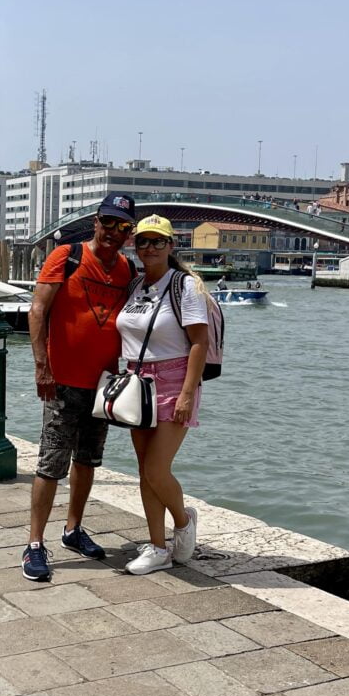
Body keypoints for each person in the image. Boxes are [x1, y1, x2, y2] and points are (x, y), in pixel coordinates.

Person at [22, 193, 137, 582]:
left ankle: (73, 529)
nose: (112, 232)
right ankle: (35, 544)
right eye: (108, 222)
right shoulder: (67, 255)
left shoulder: (127, 269)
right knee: (50, 464)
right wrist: (42, 367)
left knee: (88, 460)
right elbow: (37, 310)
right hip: (62, 382)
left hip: (103, 386)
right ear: (96, 222)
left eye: (122, 226)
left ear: (129, 232)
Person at [115, 215, 209, 574]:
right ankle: (156, 546)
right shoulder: (135, 286)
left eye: (157, 242)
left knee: (157, 468)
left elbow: (200, 341)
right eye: (143, 242)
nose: (149, 248)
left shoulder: (185, 285)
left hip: (174, 380)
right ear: (134, 247)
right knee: (144, 470)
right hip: (137, 383)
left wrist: (188, 393)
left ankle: (183, 521)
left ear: (171, 246)